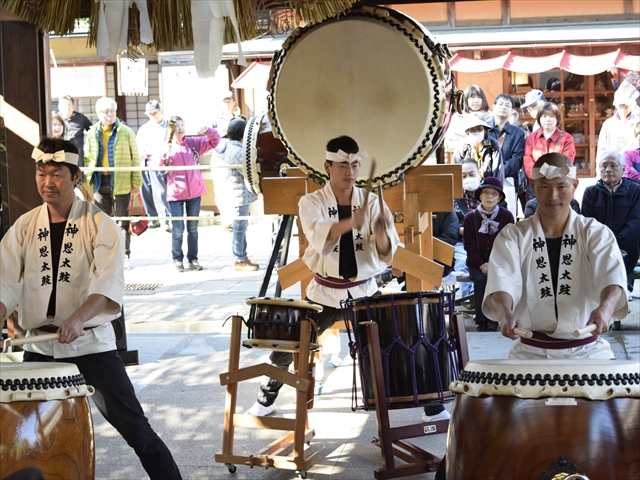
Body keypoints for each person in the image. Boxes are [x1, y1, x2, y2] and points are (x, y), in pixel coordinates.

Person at [0, 137, 182, 480]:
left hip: (89, 344)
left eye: (56, 174)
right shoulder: (25, 226)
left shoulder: (100, 224)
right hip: (39, 346)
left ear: (76, 177)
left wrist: (78, 319)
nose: (47, 182)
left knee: (135, 430)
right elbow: (5, 282)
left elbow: (108, 282)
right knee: (24, 432)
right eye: (41, 173)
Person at [245, 135, 399, 417]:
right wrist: (352, 222)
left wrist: (382, 229)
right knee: (290, 343)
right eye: (342, 165)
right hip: (324, 292)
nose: (349, 171)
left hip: (364, 290)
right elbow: (320, 241)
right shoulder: (311, 202)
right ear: (327, 167)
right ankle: (265, 401)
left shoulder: (372, 202)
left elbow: (388, 252)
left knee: (397, 338)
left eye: (354, 164)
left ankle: (429, 405)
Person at [483, 153, 628, 359]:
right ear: (532, 186)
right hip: (530, 352)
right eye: (544, 186)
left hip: (588, 351)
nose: (553, 196)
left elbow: (612, 277)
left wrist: (606, 308)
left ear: (574, 186)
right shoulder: (513, 236)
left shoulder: (596, 233)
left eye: (561, 186)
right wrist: (505, 311)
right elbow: (502, 280)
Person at [154, 116, 220, 272]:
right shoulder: (166, 146)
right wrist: (164, 154)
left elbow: (214, 142)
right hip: (176, 193)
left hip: (195, 193)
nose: (180, 128)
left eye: (182, 125)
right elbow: (153, 165)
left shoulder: (192, 143)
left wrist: (208, 131)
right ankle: (177, 259)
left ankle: (193, 259)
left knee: (193, 229)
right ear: (171, 129)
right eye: (177, 126)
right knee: (177, 229)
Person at [84, 97, 141, 270]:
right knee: (103, 220)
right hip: (100, 180)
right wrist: (88, 180)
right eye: (105, 111)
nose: (109, 115)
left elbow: (135, 158)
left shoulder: (126, 131)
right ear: (98, 113)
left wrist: (136, 182)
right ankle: (106, 255)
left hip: (121, 180)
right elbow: (87, 157)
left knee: (123, 220)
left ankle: (125, 254)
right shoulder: (92, 132)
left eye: (111, 111)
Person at [582, 151, 640, 302]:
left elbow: (635, 222)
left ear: (623, 168)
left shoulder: (635, 191)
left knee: (618, 262)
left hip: (625, 248)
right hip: (598, 247)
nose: (608, 169)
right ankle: (611, 297)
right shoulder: (590, 193)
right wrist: (604, 246)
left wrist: (616, 246)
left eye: (613, 166)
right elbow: (588, 224)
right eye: (604, 166)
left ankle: (620, 292)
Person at [463, 177, 514, 332]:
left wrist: (494, 265)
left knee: (497, 278)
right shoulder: (470, 218)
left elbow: (509, 244)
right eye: (486, 193)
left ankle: (494, 320)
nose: (489, 197)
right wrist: (482, 265)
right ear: (480, 196)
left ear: (499, 198)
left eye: (494, 194)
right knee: (480, 280)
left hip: (500, 262)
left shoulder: (507, 216)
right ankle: (481, 321)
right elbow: (469, 246)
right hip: (476, 262)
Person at [222, 117, 260, 271]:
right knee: (239, 227)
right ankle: (239, 259)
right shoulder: (238, 150)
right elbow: (246, 171)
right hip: (239, 194)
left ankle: (242, 257)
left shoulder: (234, 146)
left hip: (238, 193)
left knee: (241, 226)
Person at [523, 102, 576, 198]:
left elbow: (566, 162)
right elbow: (528, 161)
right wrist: (542, 175)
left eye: (552, 116)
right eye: (544, 116)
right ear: (539, 118)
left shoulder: (567, 138)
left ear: (557, 119)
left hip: (561, 185)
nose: (548, 119)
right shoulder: (530, 138)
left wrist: (545, 173)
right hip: (538, 186)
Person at [487, 93, 526, 214]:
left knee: (507, 214)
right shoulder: (484, 128)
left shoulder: (518, 133)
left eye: (507, 105)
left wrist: (499, 172)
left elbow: (517, 160)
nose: (503, 107)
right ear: (493, 107)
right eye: (500, 104)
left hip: (508, 180)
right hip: (485, 178)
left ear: (512, 111)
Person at [136, 100, 172, 232]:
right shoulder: (143, 129)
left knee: (160, 191)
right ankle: (152, 218)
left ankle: (166, 219)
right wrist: (142, 153)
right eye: (150, 113)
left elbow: (170, 145)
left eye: (155, 113)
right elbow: (138, 146)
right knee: (145, 191)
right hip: (145, 161)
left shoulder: (168, 126)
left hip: (160, 162)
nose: (153, 115)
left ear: (160, 111)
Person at [453, 158, 482, 299]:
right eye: (463, 176)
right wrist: (464, 230)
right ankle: (468, 298)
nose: (468, 178)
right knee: (462, 263)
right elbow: (452, 224)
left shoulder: (491, 194)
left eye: (471, 174)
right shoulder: (454, 199)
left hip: (489, 241)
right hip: (463, 242)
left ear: (479, 174)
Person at [445, 85, 492, 163]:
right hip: (462, 162)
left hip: (487, 162)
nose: (476, 100)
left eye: (479, 97)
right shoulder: (456, 118)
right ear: (466, 99)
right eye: (472, 97)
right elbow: (447, 145)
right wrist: (466, 143)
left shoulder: (491, 117)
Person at [453, 115, 505, 184]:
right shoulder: (462, 145)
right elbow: (455, 171)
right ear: (468, 131)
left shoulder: (493, 144)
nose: (476, 132)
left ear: (485, 131)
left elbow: (498, 170)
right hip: (466, 185)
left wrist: (496, 189)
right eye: (473, 129)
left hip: (487, 186)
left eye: (479, 129)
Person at [597, 83, 638, 163]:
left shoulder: (637, 122)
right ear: (615, 104)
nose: (624, 107)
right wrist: (600, 173)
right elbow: (601, 152)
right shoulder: (608, 124)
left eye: (627, 105)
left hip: (634, 169)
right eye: (621, 105)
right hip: (614, 168)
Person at [58, 95, 92, 167]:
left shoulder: (81, 118)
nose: (67, 107)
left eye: (69, 105)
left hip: (77, 156)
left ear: (73, 106)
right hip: (60, 155)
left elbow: (92, 131)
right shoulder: (56, 119)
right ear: (59, 107)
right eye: (64, 105)